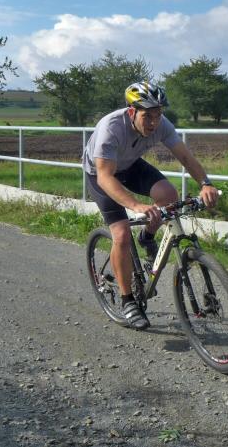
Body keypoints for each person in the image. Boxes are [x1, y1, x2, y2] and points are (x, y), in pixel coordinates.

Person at [82, 81, 219, 330]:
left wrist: (205, 184)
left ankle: (147, 237)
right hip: (101, 174)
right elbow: (105, 177)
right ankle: (127, 301)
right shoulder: (111, 128)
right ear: (132, 112)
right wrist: (136, 205)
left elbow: (185, 157)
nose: (153, 123)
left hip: (130, 165)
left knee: (169, 194)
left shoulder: (161, 124)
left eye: (158, 115)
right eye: (147, 116)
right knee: (122, 235)